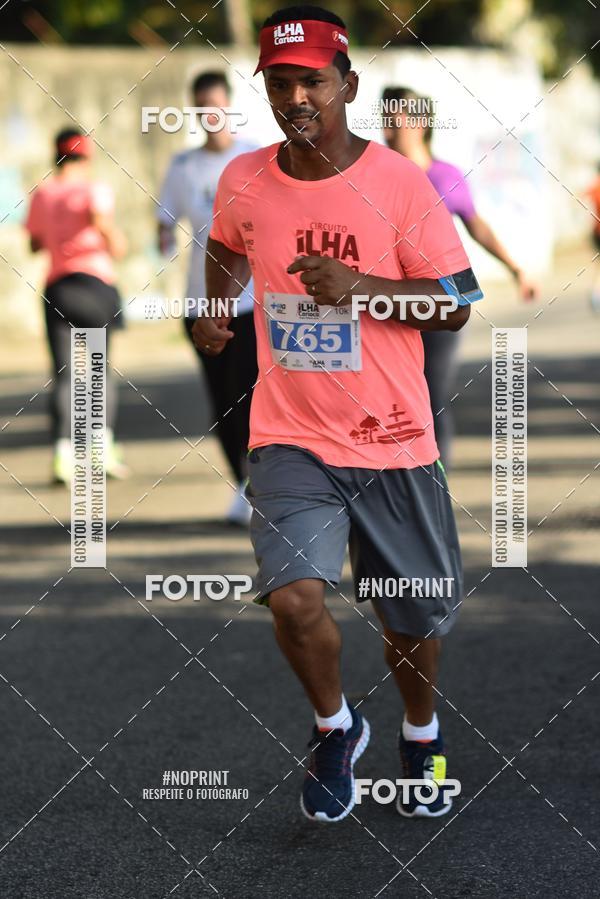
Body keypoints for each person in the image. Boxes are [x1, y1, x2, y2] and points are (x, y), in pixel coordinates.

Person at [192, 5, 485, 822]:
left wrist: (364, 290)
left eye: (312, 80)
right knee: (293, 597)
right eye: (280, 83)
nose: (296, 97)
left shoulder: (398, 182)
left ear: (347, 83)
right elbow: (225, 242)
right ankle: (334, 724)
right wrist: (214, 306)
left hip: (393, 435)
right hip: (290, 434)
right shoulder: (244, 176)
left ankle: (420, 733)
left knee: (411, 610)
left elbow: (457, 301)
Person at [382, 86, 539, 467]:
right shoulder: (375, 174)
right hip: (386, 300)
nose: (388, 127)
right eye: (385, 118)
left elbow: (476, 226)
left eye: (396, 118)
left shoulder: (444, 175)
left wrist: (516, 268)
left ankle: (436, 480)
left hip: (443, 297)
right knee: (389, 395)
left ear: (420, 124)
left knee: (431, 394)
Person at [158, 71, 259, 525]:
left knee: (251, 396)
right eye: (202, 108)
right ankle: (242, 482)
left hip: (252, 303)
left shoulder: (255, 158)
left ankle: (262, 483)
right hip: (202, 304)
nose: (210, 116)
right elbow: (166, 220)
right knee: (221, 402)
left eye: (216, 106)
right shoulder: (183, 167)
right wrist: (161, 238)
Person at [25, 127, 128, 484]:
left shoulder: (43, 193)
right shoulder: (94, 189)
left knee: (64, 375)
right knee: (99, 371)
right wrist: (117, 243)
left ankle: (62, 454)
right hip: (94, 285)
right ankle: (102, 451)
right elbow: (105, 229)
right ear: (87, 157)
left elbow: (35, 244)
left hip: (57, 287)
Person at [582, 165, 600, 311]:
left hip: (595, 232)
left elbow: (581, 198)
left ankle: (595, 295)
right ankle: (596, 297)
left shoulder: (594, 185)